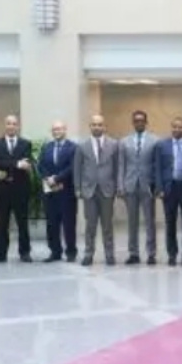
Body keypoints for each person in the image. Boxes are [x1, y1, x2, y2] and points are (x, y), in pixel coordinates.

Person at [74, 114, 119, 267]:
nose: (97, 127)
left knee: (107, 225)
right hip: (89, 190)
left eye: (100, 124)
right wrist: (77, 188)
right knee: (90, 225)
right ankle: (88, 254)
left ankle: (109, 254)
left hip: (107, 190)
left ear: (104, 126)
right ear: (90, 126)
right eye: (94, 124)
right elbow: (77, 168)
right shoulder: (82, 146)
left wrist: (117, 187)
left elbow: (117, 167)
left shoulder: (113, 144)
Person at [0, 114, 33, 264]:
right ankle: (0, 254)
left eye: (14, 124)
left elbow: (26, 162)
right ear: (5, 125)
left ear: (18, 126)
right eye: (8, 123)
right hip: (2, 190)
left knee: (22, 223)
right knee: (2, 224)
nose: (11, 126)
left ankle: (25, 252)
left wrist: (10, 163)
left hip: (21, 190)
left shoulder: (26, 144)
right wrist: (17, 164)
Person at [117, 110, 159, 265]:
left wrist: (157, 185)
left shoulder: (155, 141)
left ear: (146, 122)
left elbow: (156, 165)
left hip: (148, 186)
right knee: (132, 222)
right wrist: (120, 185)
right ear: (133, 123)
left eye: (142, 120)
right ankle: (133, 253)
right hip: (130, 185)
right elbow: (121, 165)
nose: (139, 123)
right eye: (136, 121)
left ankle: (151, 253)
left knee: (150, 221)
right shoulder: (124, 141)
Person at [154, 117, 182, 267]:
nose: (177, 129)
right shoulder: (161, 145)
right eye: (175, 127)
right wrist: (159, 188)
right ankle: (172, 254)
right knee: (170, 222)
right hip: (169, 188)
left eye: (180, 127)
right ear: (171, 128)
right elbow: (158, 168)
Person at [37, 120, 77, 263]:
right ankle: (55, 252)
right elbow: (40, 165)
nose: (57, 131)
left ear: (65, 130)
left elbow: (72, 167)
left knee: (69, 223)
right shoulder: (46, 147)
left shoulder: (73, 147)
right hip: (50, 192)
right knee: (52, 223)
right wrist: (48, 178)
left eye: (59, 129)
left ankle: (71, 252)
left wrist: (57, 178)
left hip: (67, 192)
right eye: (54, 129)